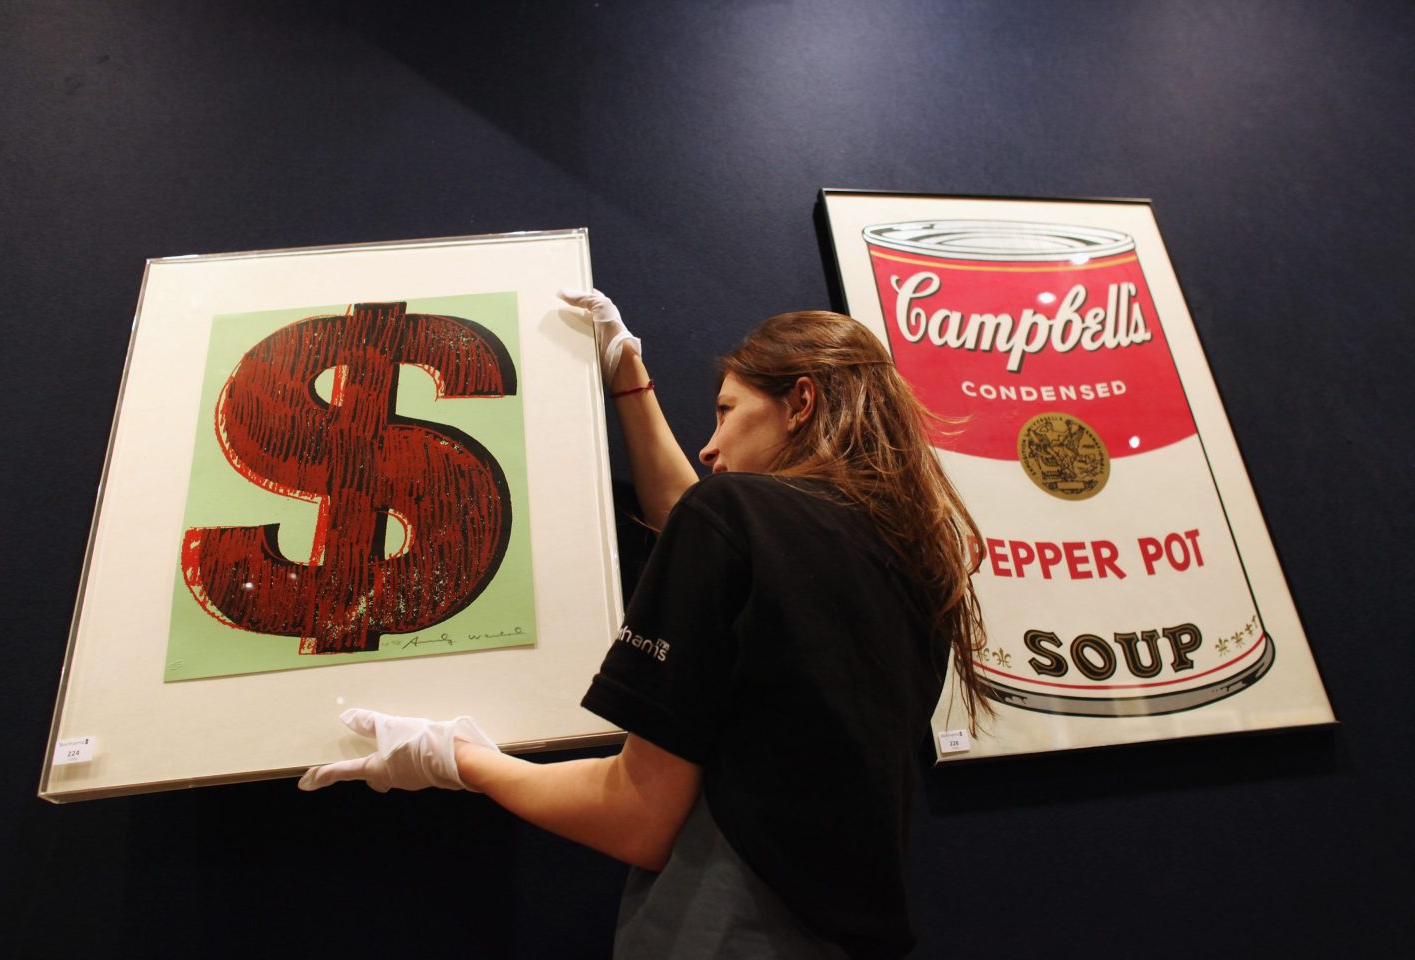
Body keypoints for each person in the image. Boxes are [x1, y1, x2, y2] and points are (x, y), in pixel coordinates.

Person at [299, 290, 991, 958]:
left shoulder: (734, 516)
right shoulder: (911, 558)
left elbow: (637, 817)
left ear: (801, 402)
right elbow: (704, 521)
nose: (710, 448)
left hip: (727, 932)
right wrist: (630, 381)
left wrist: (457, 761)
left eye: (726, 412)